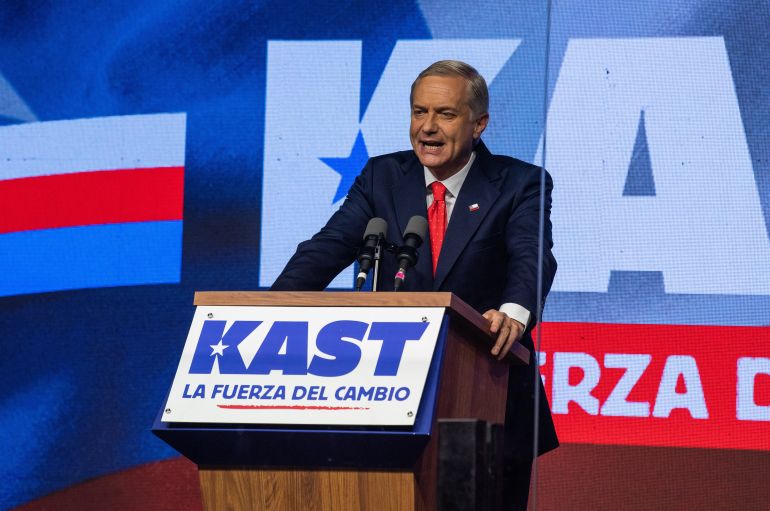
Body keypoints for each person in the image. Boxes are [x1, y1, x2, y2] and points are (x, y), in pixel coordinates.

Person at [271, 60, 557, 510]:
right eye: (418, 112)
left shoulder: (520, 184)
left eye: (445, 114)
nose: (427, 127)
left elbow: (531, 255)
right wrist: (264, 310)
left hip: (487, 396)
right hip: (387, 394)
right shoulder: (383, 177)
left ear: (478, 124)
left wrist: (514, 314)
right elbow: (325, 249)